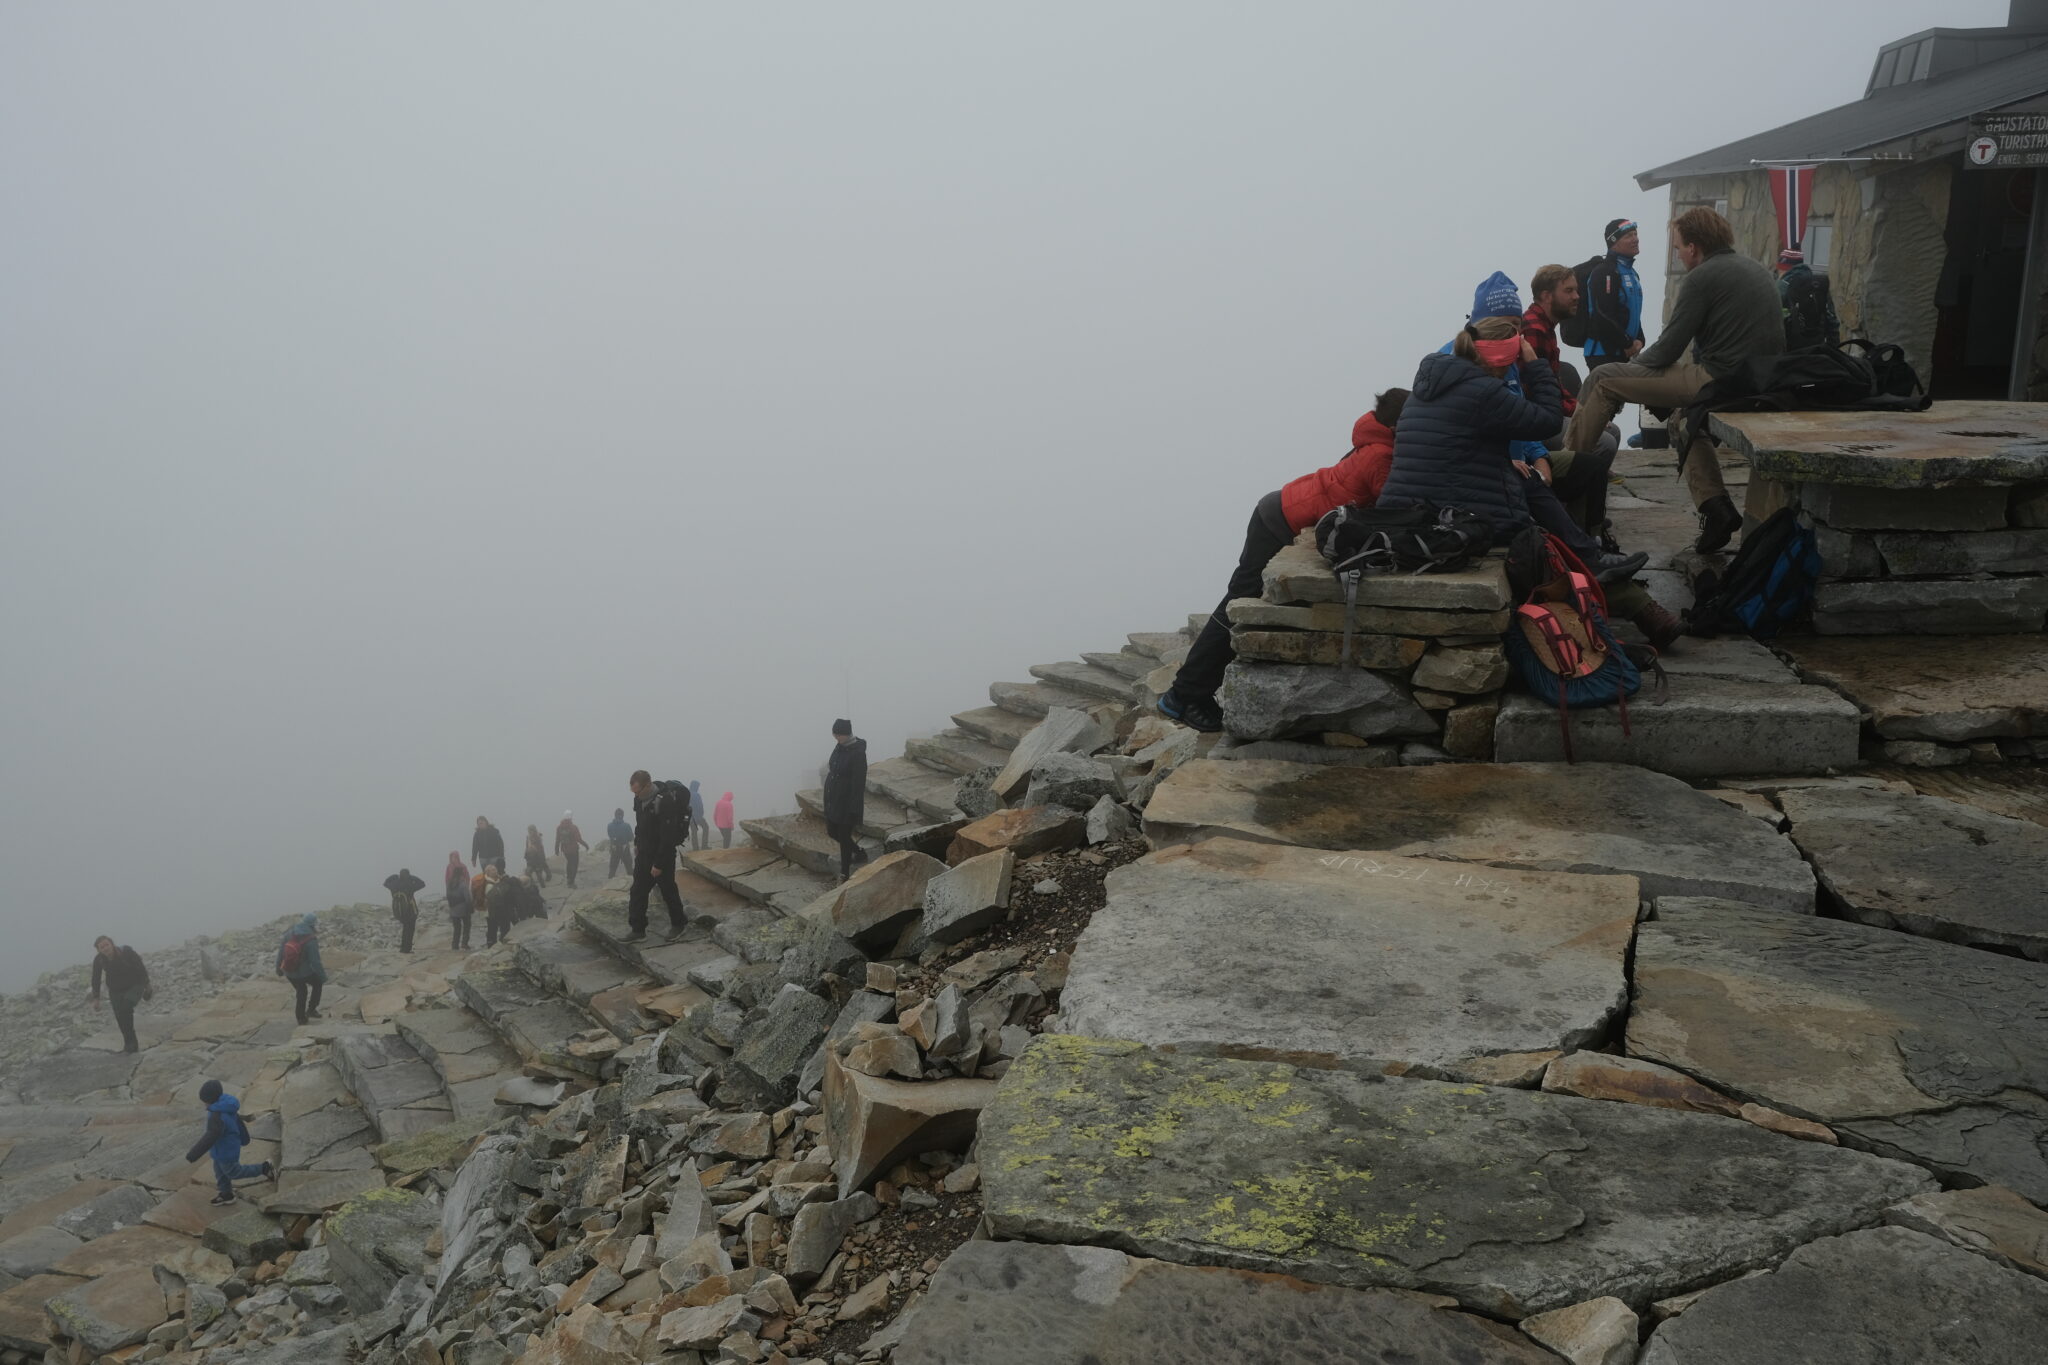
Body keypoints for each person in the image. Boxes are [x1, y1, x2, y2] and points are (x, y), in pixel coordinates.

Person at [1156, 392, 1407, 732]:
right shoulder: (1382, 454)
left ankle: (1188, 693)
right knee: (1239, 602)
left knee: (1240, 601)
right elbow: (1397, 505)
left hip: (1281, 509)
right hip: (1279, 521)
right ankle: (1182, 696)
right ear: (1398, 425)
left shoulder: (1376, 441)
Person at [1565, 207, 1785, 553]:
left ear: (1694, 247)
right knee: (1683, 421)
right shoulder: (1754, 268)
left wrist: (1633, 371)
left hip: (1722, 378)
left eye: (1679, 247)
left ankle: (1567, 482)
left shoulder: (1702, 277)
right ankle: (1717, 510)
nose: (1678, 254)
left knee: (1604, 378)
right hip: (1763, 381)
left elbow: (1668, 349)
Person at [1526, 266, 1617, 546]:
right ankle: (1575, 525)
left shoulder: (1546, 328)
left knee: (1611, 430)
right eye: (1569, 291)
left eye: (1576, 290)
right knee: (1604, 443)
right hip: (1534, 423)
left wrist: (1579, 407)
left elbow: (1553, 383)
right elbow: (1536, 393)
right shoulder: (1533, 330)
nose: (1577, 296)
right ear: (1546, 295)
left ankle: (1588, 506)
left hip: (1547, 411)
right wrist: (1574, 411)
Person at [185, 1079, 273, 1206]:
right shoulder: (225, 1104)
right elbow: (237, 1121)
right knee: (220, 1172)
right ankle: (226, 1194)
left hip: (227, 1150)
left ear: (210, 1099)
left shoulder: (217, 1115)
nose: (204, 1104)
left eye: (205, 1101)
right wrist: (244, 1137)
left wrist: (193, 1154)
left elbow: (209, 1137)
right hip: (220, 1149)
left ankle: (264, 1168)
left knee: (233, 1172)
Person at [627, 770, 687, 941]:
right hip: (644, 853)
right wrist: (637, 843)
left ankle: (679, 924)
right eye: (633, 792)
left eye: (638, 791)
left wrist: (659, 864)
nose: (636, 795)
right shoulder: (639, 800)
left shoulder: (665, 801)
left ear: (648, 784)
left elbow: (667, 837)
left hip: (663, 855)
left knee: (668, 890)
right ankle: (638, 930)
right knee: (637, 890)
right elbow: (640, 825)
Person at [1581, 219, 1646, 372]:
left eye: (1635, 234)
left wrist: (1640, 340)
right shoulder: (1605, 272)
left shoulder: (1631, 273)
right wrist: (1627, 343)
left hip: (1625, 352)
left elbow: (1633, 312)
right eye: (1629, 236)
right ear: (1614, 242)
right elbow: (1603, 314)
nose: (1635, 239)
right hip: (1603, 354)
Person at [87, 936, 152, 1053]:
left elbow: (140, 967)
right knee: (120, 1018)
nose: (105, 948)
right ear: (98, 950)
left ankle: (132, 1045)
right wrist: (96, 999)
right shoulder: (99, 960)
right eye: (102, 947)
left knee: (126, 1008)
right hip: (115, 990)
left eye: (107, 944)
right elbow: (95, 979)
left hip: (135, 985)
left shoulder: (126, 952)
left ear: (112, 944)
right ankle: (129, 1045)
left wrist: (147, 986)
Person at [822, 721, 869, 881]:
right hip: (834, 797)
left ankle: (844, 872)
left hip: (847, 801)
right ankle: (859, 852)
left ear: (845, 734)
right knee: (832, 831)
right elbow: (833, 767)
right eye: (834, 734)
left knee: (843, 834)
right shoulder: (839, 746)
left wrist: (853, 810)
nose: (835, 737)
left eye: (837, 734)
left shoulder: (858, 753)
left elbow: (858, 784)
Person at [1777, 245, 1840, 350]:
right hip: (1816, 349)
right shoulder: (1818, 284)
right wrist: (1834, 349)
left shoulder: (1782, 286)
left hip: (1790, 351)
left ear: (1783, 268)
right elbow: (1832, 321)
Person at [275, 913, 327, 1025]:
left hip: (289, 972)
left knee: (301, 992)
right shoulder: (311, 940)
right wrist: (323, 977)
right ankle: (311, 1010)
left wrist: (278, 968)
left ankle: (301, 1018)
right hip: (304, 973)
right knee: (317, 984)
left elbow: (281, 952)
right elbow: (315, 962)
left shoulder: (290, 933)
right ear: (312, 925)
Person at [382, 868, 425, 954]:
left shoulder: (394, 884)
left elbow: (385, 883)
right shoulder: (409, 884)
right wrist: (412, 878)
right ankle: (407, 949)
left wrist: (393, 876)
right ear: (408, 875)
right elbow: (422, 884)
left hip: (400, 912)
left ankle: (403, 948)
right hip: (411, 910)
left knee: (405, 928)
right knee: (410, 929)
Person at [445, 853, 474, 949]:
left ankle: (455, 945)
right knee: (466, 926)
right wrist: (471, 909)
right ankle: (464, 943)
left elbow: (448, 896)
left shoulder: (449, 885)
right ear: (462, 874)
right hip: (463, 909)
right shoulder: (462, 884)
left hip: (453, 910)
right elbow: (468, 898)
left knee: (457, 928)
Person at [554, 812, 588, 887]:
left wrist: (556, 849)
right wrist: (586, 845)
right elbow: (578, 839)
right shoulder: (573, 827)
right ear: (570, 818)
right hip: (573, 849)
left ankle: (569, 879)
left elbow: (557, 839)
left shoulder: (559, 827)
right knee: (574, 865)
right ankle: (571, 882)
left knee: (569, 863)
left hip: (565, 850)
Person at [606, 808, 634, 879]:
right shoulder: (627, 826)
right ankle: (631, 883)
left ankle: (610, 882)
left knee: (612, 868)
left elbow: (610, 835)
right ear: (622, 815)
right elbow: (631, 838)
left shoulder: (609, 825)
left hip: (614, 847)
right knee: (629, 868)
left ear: (615, 815)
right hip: (624, 848)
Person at [688, 782, 711, 852]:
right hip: (697, 816)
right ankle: (704, 845)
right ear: (695, 786)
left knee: (694, 832)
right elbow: (700, 805)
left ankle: (695, 848)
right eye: (698, 786)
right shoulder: (696, 795)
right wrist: (701, 814)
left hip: (690, 817)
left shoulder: (687, 793)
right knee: (706, 827)